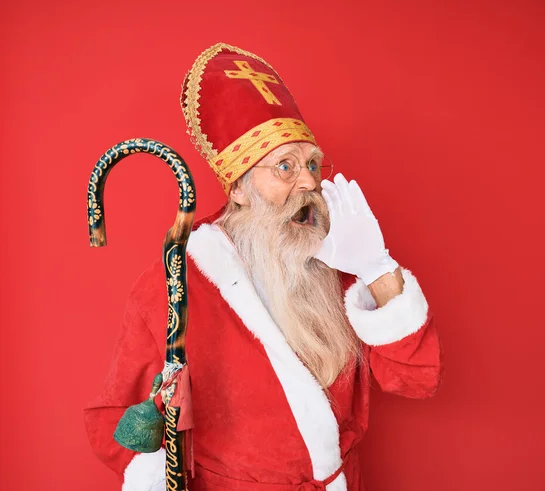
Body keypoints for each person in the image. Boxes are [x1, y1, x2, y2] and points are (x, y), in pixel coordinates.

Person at [84, 42, 442, 491]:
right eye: (286, 167)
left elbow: (415, 381)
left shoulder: (338, 258)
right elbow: (117, 421)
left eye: (313, 163)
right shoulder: (174, 284)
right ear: (238, 188)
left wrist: (376, 266)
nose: (310, 182)